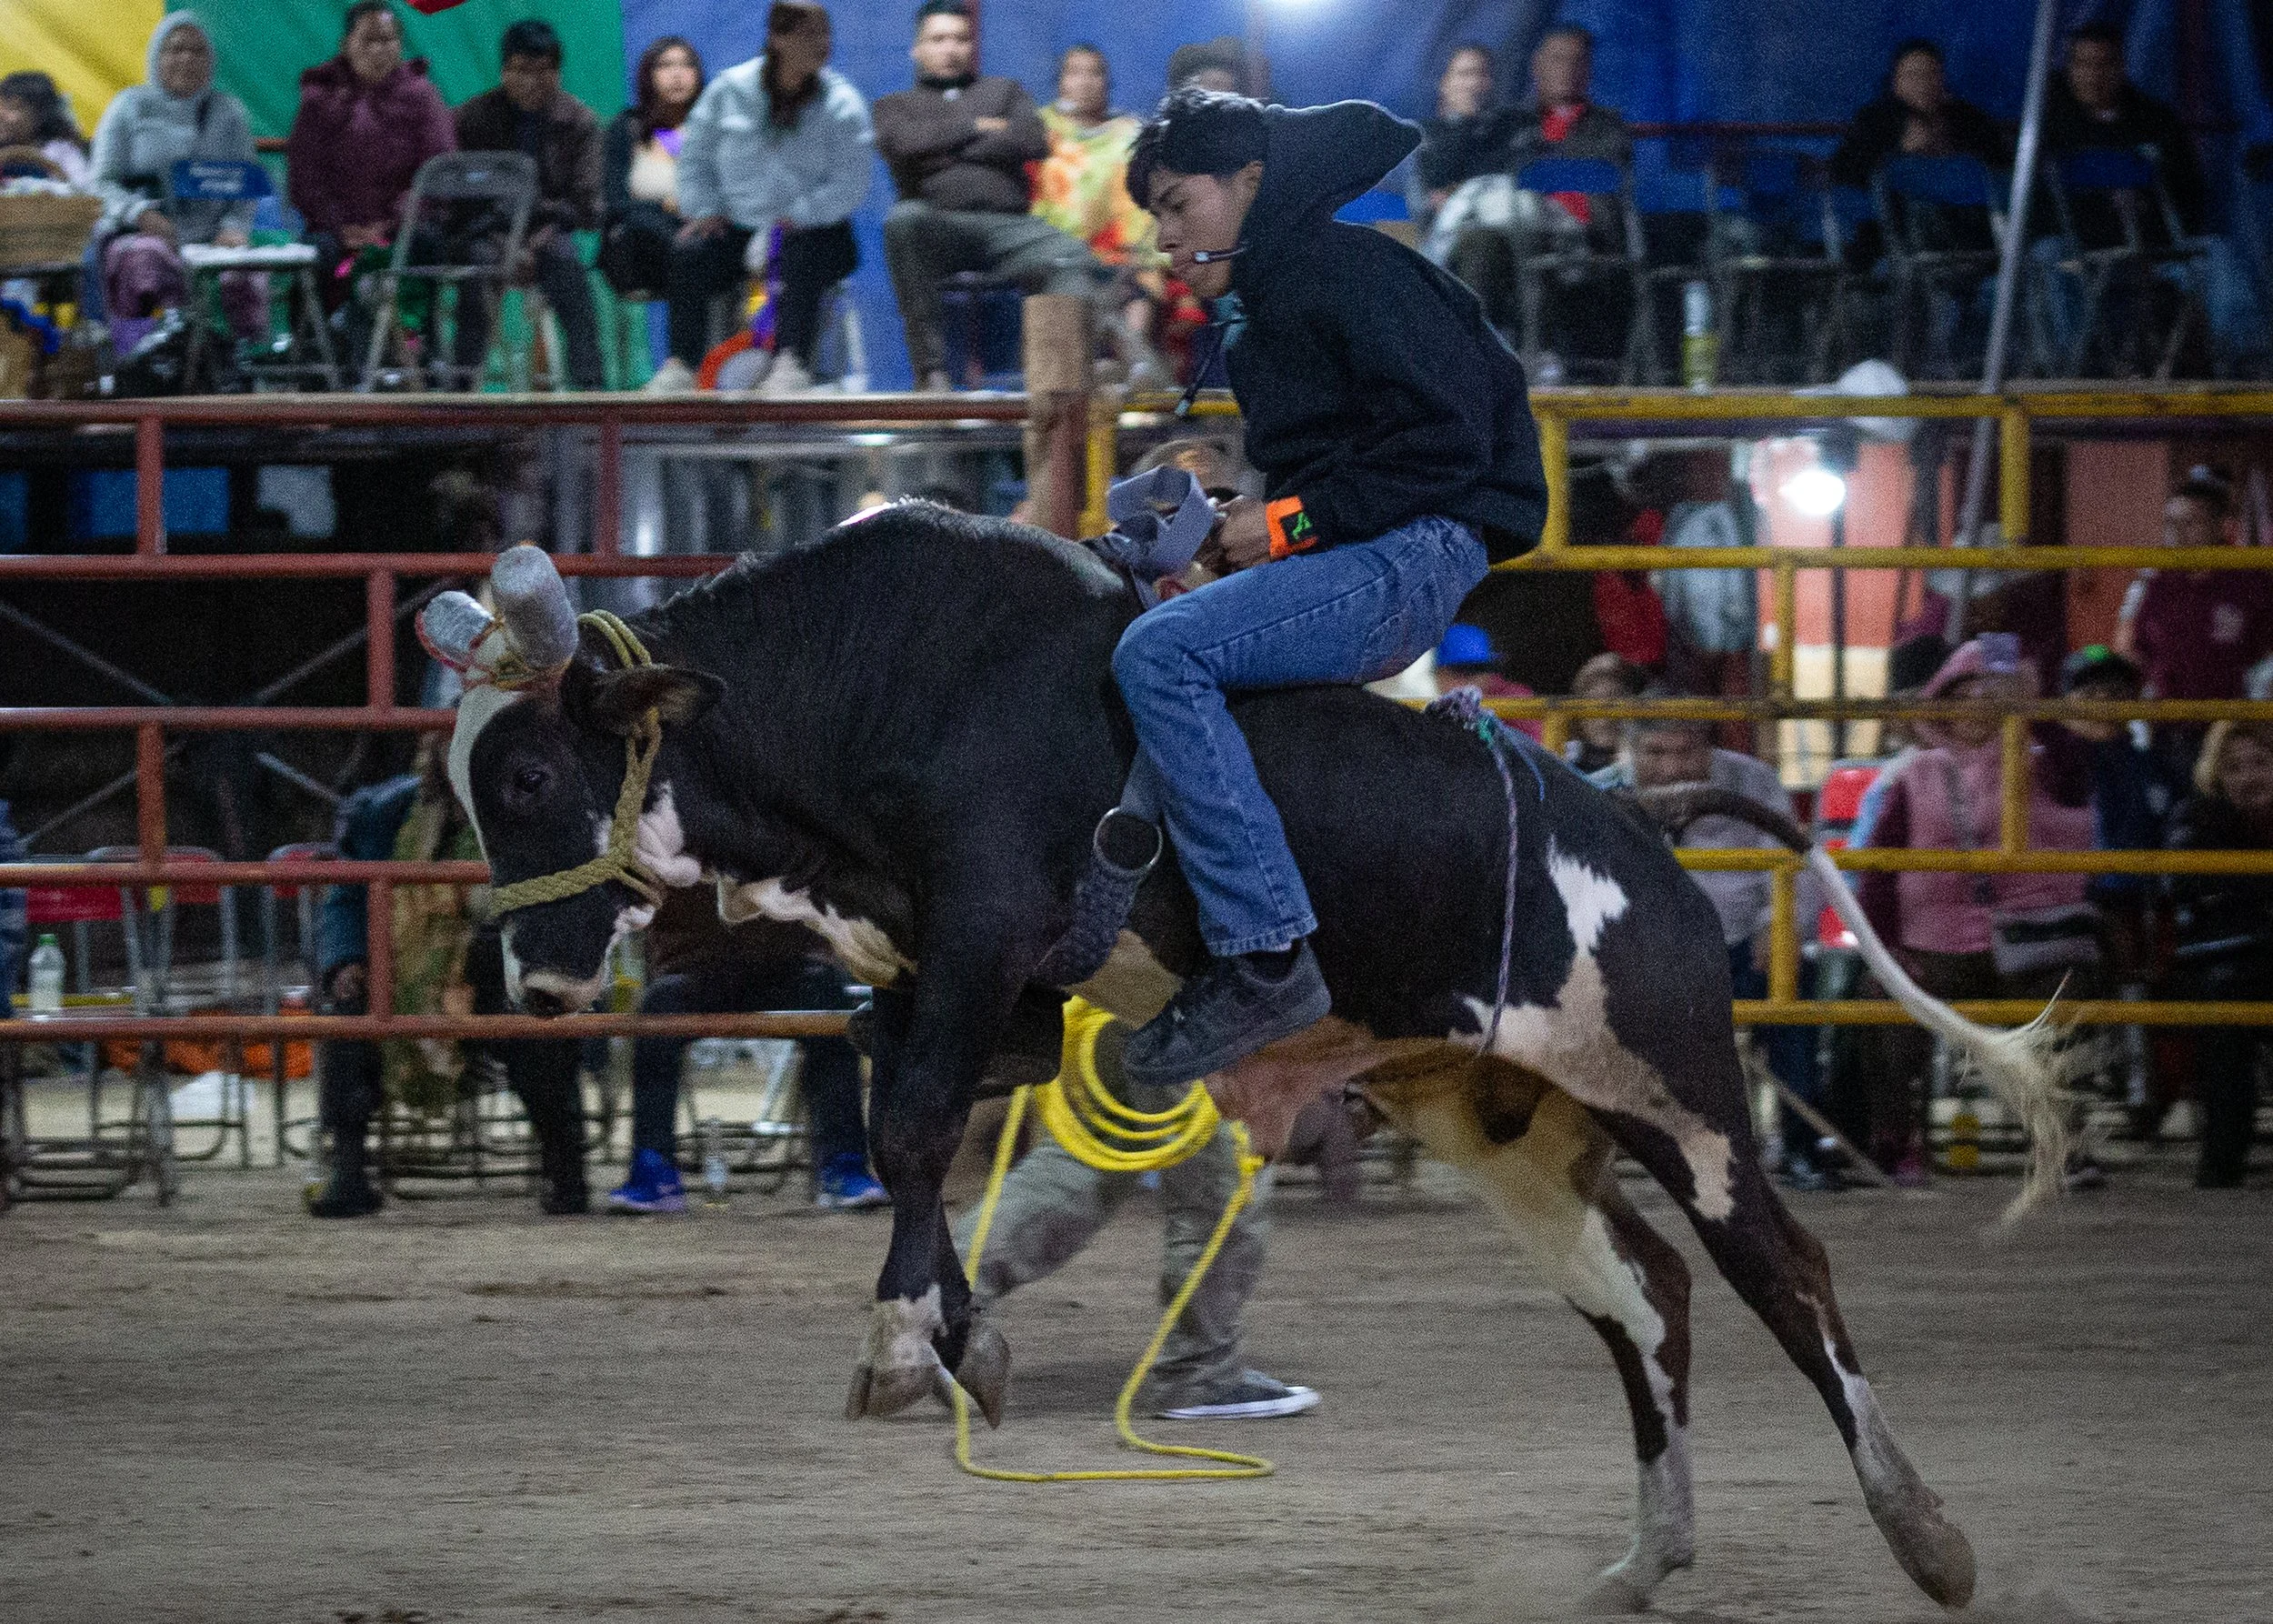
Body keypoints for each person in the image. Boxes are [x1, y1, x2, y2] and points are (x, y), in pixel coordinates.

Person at [1108, 88, 1546, 1088]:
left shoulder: (1342, 276)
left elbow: (1445, 446)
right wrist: (1241, 529)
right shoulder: (1272, 308)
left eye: (1179, 204)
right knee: (1157, 634)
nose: (1167, 236)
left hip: (1415, 552)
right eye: (1159, 216)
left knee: (1161, 651)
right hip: (1378, 550)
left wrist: (1285, 523)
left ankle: (1264, 955)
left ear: (1249, 183)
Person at [953, 999, 1318, 1419]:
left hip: (1108, 997)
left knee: (1090, 1151)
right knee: (1225, 1177)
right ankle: (1199, 1375)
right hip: (1198, 1000)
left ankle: (938, 1302)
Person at [1852, 636, 2101, 1186]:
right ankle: (1896, 1144)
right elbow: (1878, 873)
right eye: (1967, 693)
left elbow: (2077, 778)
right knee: (1881, 1007)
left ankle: (2064, 1146)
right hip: (1931, 943)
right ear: (1943, 700)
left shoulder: (2048, 758)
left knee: (2056, 1009)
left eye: (1997, 693)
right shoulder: (1911, 774)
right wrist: (1886, 954)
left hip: (2032, 937)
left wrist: (2036, 716)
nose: (1982, 705)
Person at [310, 739, 587, 1218]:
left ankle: (566, 1169)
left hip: (500, 966)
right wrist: (346, 960)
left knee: (536, 1016)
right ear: (435, 751)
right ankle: (348, 1170)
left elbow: (559, 905)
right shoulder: (386, 811)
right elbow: (346, 896)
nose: (464, 753)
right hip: (406, 968)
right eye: (452, 741)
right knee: (350, 1014)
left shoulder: (530, 809)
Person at [1593, 713, 1836, 1188]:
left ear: (1708, 749)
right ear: (1630, 750)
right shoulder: (1599, 789)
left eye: (1685, 752)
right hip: (1637, 953)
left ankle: (1801, 1146)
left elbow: (1797, 862)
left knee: (1791, 984)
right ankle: (1600, 1146)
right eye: (1656, 754)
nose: (1672, 768)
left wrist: (1779, 926)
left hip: (1739, 945)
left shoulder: (1752, 783)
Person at [607, 887, 885, 1213]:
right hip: (694, 969)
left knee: (828, 1002)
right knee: (656, 1012)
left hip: (789, 965)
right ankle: (653, 1170)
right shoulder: (671, 843)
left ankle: (843, 1165)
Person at [647, 2, 870, 397]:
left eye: (825, 32)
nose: (823, 43)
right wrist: (706, 209)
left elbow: (851, 183)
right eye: (809, 33)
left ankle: (792, 362)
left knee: (801, 247)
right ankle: (682, 365)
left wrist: (799, 214)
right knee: (689, 250)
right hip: (741, 226)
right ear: (777, 38)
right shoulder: (730, 90)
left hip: (817, 233)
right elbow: (696, 157)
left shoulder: (842, 103)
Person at [873, 0, 1096, 392]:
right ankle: (931, 373)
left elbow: (1033, 140)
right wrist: (980, 127)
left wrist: (941, 146)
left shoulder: (1005, 91)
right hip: (937, 226)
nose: (951, 48)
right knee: (902, 220)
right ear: (917, 49)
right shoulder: (894, 106)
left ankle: (1064, 380)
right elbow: (903, 144)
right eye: (938, 39)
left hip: (1008, 228)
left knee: (1072, 257)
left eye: (960, 39)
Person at [2038, 23, 2268, 378]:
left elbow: (2189, 196)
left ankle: (2246, 354)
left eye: (2103, 65)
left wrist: (2147, 214)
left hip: (2152, 247)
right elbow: (2036, 206)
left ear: (2120, 67)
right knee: (2046, 255)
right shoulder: (2048, 124)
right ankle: (2072, 365)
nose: (2092, 76)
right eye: (2082, 65)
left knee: (2217, 254)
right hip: (2078, 248)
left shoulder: (2154, 120)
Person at [2058, 645, 2185, 1137]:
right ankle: (2107, 1091)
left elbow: (2179, 818)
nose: (2105, 702)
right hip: (2079, 898)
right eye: (2090, 692)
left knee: (2145, 982)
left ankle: (2145, 1093)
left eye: (2117, 691)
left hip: (2143, 897)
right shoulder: (2059, 765)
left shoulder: (2154, 765)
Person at [1438, 25, 1632, 343]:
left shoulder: (1608, 127)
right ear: (1537, 65)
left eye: (1577, 61)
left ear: (1589, 69)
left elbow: (1606, 178)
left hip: (1585, 237)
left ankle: (1538, 354)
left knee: (1525, 245)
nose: (1567, 69)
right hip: (1513, 231)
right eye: (1557, 59)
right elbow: (1478, 177)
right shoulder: (1509, 124)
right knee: (1476, 243)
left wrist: (1541, 174)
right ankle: (1469, 354)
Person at [87, 14, 265, 339]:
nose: (186, 58)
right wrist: (139, 213)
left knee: (245, 273)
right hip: (145, 234)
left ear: (210, 60)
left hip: (213, 240)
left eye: (197, 51)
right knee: (145, 261)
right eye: (175, 49)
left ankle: (235, 364)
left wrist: (233, 228)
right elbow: (99, 182)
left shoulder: (229, 112)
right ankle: (151, 358)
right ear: (157, 55)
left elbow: (246, 184)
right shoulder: (129, 106)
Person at [452, 19, 606, 391]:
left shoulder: (580, 123)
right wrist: (506, 243)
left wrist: (535, 241)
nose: (533, 82)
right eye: (522, 71)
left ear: (557, 72)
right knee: (478, 272)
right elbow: (461, 202)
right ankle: (459, 392)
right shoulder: (471, 119)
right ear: (505, 71)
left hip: (548, 234)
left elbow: (587, 204)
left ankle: (592, 391)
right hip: (489, 234)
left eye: (544, 71)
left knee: (568, 267)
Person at [287, 2, 457, 321]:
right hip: (335, 232)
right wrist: (341, 228)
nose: (380, 50)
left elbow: (438, 172)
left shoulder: (423, 97)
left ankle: (423, 356)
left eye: (389, 40)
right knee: (316, 254)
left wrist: (392, 224)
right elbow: (304, 177)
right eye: (369, 40)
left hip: (403, 230)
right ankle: (317, 359)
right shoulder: (319, 99)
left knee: (427, 243)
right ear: (345, 45)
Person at [2163, 718, 2273, 1188]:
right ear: (2214, 775)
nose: (2250, 777)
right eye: (2234, 768)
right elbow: (2189, 891)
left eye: (2262, 763)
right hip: (2225, 961)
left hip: (2246, 952)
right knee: (2227, 1017)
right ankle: (2221, 1164)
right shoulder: (2197, 820)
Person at [2113, 467, 2273, 776]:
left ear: (2219, 526)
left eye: (2191, 523)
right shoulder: (2155, 582)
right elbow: (2133, 652)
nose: (2178, 534)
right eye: (2171, 523)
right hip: (2166, 732)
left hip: (2233, 735)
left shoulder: (2251, 580)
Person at [1033, 45, 1163, 383]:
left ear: (1107, 82)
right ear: (1060, 82)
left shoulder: (1130, 133)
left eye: (1095, 73)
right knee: (1076, 277)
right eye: (1074, 72)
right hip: (1054, 247)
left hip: (1121, 251)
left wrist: (1136, 251)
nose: (1085, 82)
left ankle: (1132, 370)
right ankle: (1092, 368)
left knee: (1139, 279)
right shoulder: (1039, 130)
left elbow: (1141, 201)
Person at [1830, 39, 2010, 267]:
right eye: (1913, 75)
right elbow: (1846, 173)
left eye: (1930, 74)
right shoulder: (1874, 121)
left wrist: (1945, 151)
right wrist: (1899, 153)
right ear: (1896, 82)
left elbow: (2001, 166)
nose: (1923, 83)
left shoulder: (1967, 119)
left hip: (1971, 229)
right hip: (1895, 233)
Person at [597, 37, 704, 305]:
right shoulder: (627, 127)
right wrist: (668, 208)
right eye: (666, 66)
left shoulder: (710, 130)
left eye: (686, 65)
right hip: (642, 249)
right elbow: (616, 200)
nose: (677, 75)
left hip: (702, 237)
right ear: (648, 75)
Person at [1412, 44, 1513, 230]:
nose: (1473, 84)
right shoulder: (1421, 137)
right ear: (1444, 82)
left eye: (1482, 74)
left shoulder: (1510, 132)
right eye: (1464, 74)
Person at [0, 71, 91, 187]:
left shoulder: (59, 150)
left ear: (39, 115)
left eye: (12, 108)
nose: (1, 114)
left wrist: (39, 161)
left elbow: (82, 191)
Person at [1563, 650, 1647, 776]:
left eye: (1615, 700)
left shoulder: (1652, 756)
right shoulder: (1563, 756)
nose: (1606, 717)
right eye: (1594, 701)